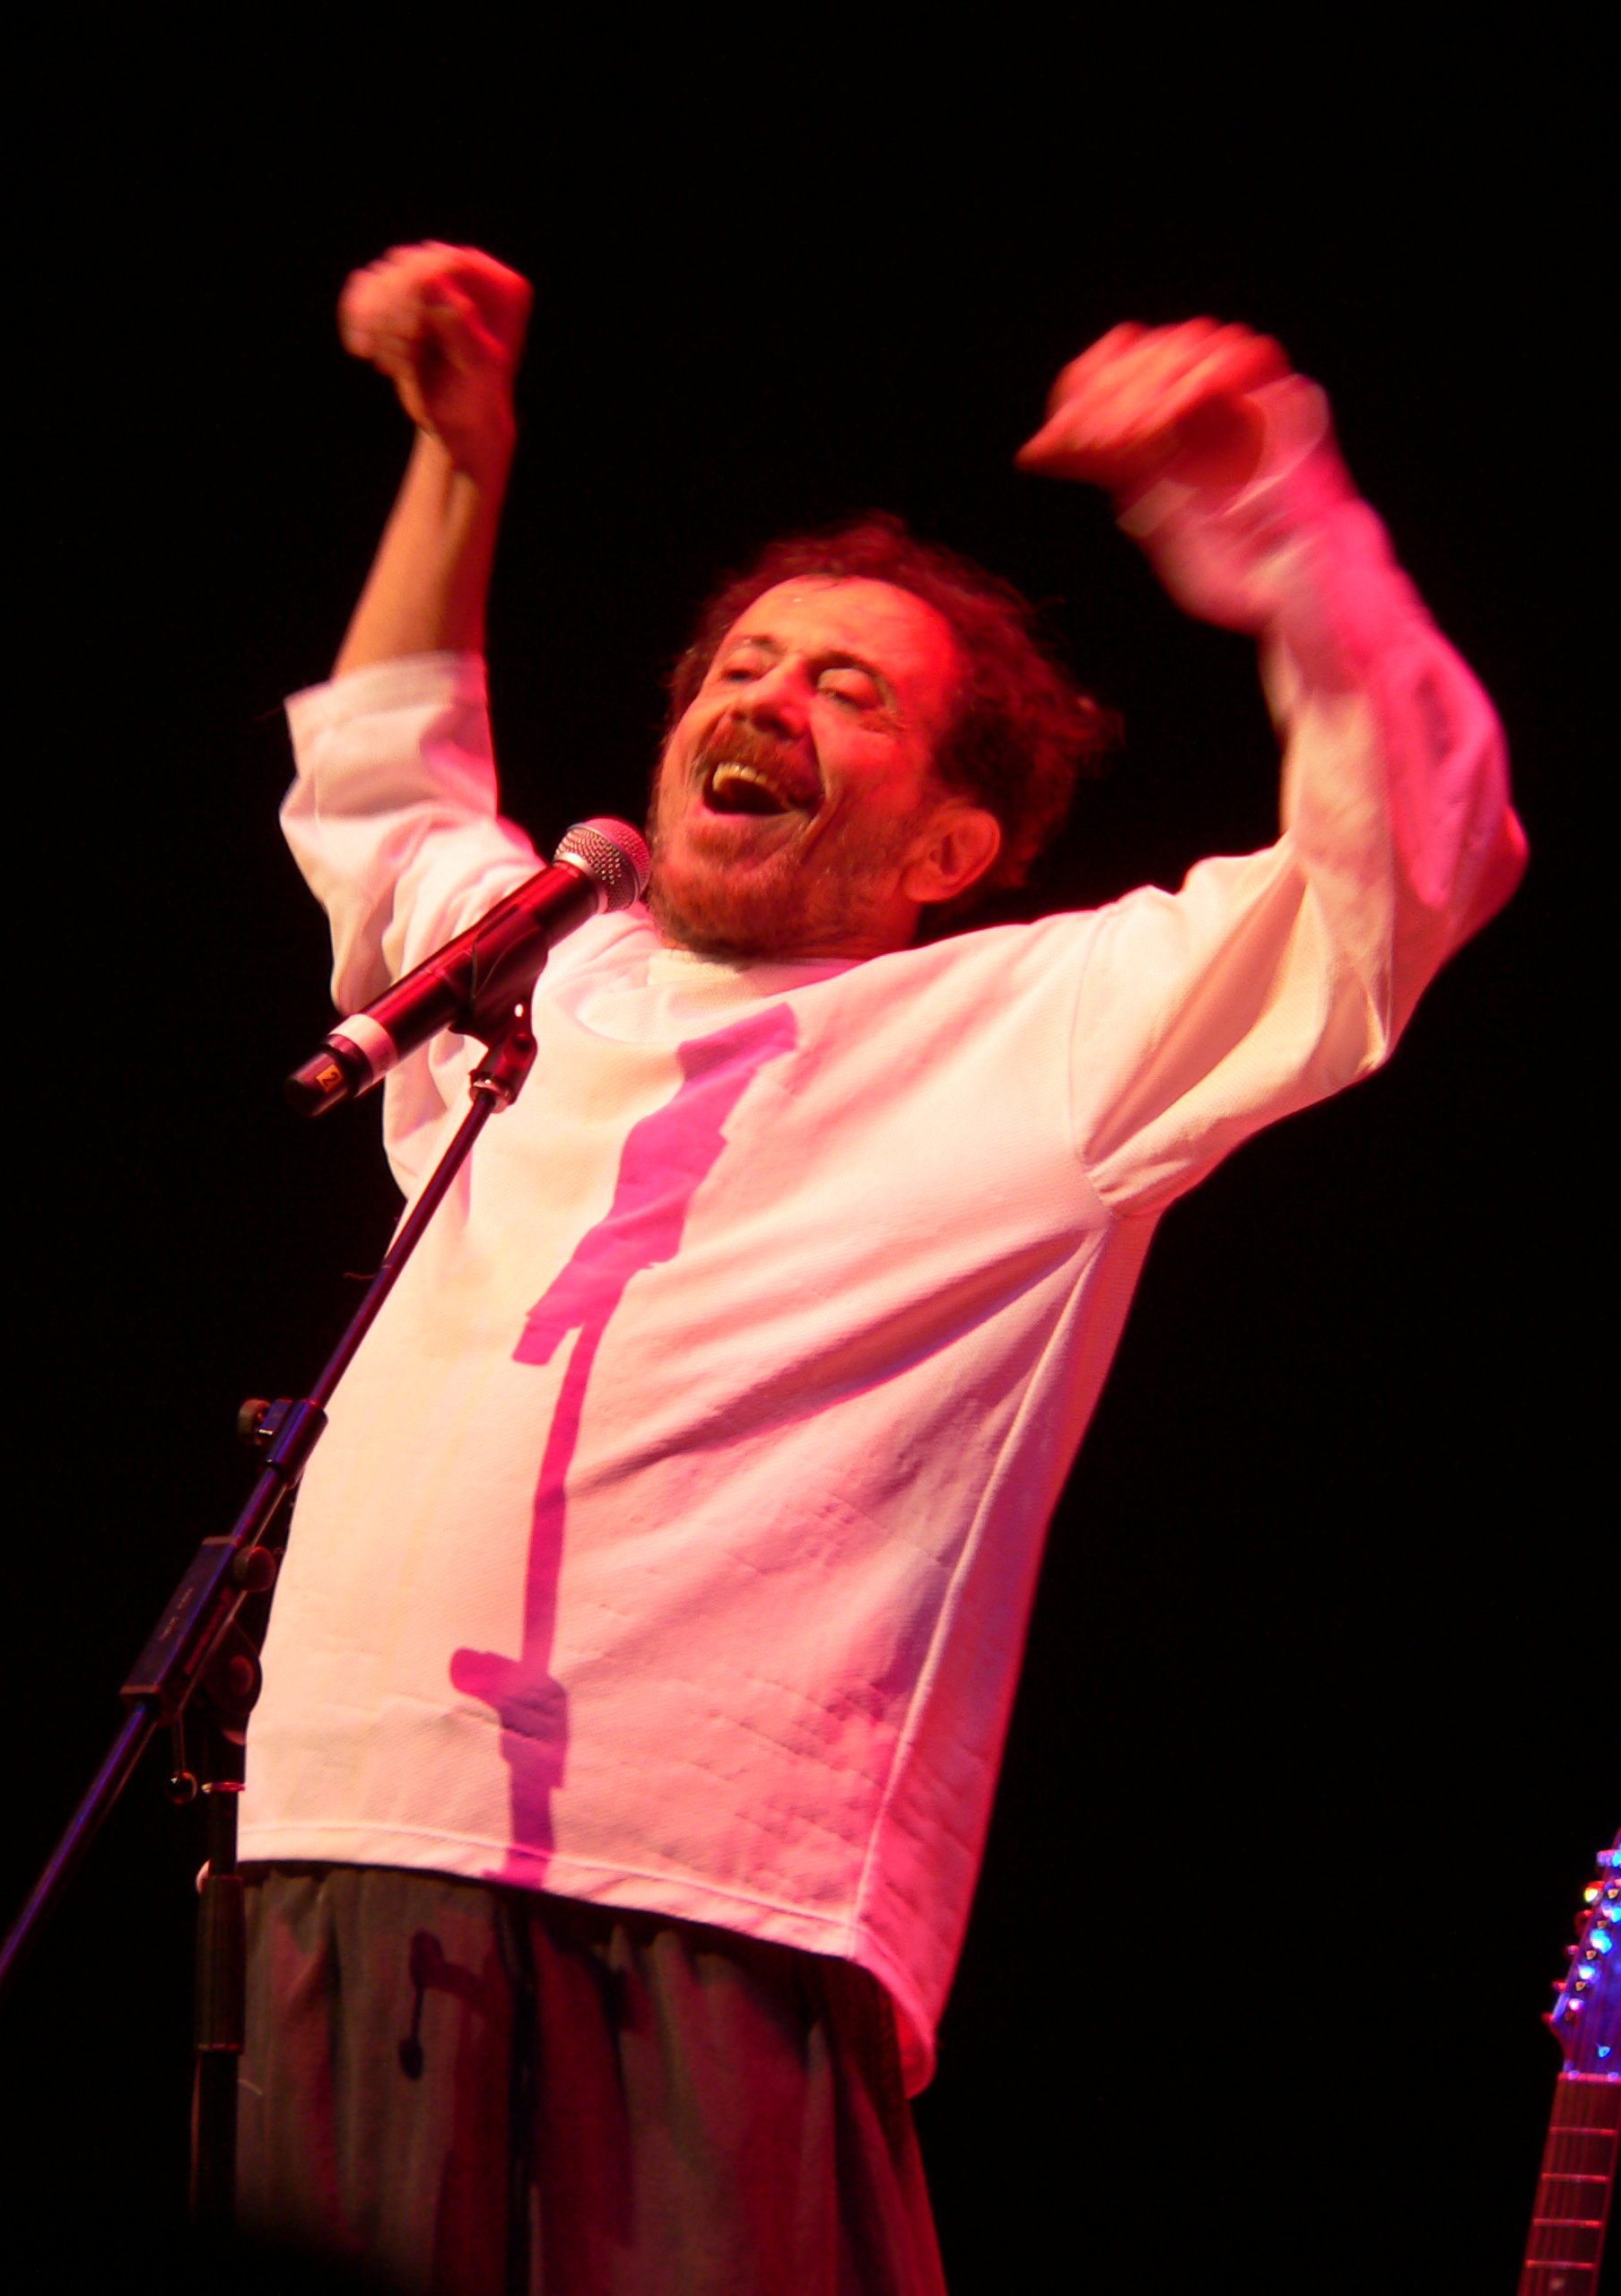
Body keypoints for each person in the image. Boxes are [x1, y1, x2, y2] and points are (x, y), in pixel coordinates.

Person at [235, 242, 1525, 2294]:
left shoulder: (1044, 1036)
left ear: (949, 847)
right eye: (746, 665)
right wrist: (458, 459)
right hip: (345, 1847)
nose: (764, 697)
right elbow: (386, 778)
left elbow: (1414, 863)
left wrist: (1280, 515)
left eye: (850, 690)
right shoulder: (524, 975)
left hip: (713, 1898)